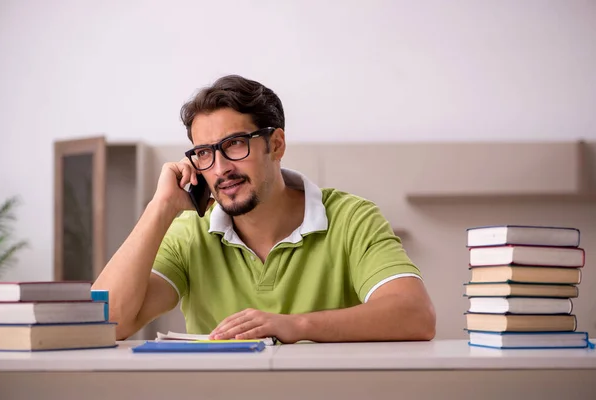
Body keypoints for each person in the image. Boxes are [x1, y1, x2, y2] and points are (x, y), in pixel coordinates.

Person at [92, 75, 436, 343]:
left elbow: (415, 314)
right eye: (205, 152)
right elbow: (104, 323)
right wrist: (160, 208)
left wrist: (293, 326)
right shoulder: (189, 234)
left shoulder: (351, 218)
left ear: (276, 144)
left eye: (235, 144)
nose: (220, 168)